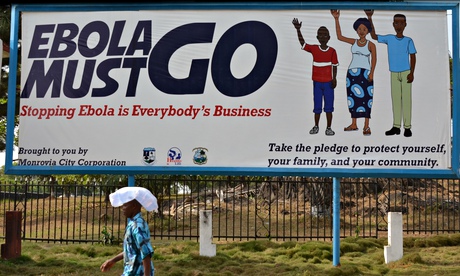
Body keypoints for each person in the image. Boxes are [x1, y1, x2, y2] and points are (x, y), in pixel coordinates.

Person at [365, 10, 417, 137]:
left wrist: (412, 73)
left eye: (401, 23)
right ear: (393, 24)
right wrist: (370, 18)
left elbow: (413, 56)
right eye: (396, 23)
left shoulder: (408, 40)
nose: (399, 26)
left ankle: (408, 127)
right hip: (393, 73)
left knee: (406, 100)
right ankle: (396, 126)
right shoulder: (389, 38)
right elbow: (374, 36)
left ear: (405, 25)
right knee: (395, 100)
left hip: (405, 72)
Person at [331, 10, 376, 136]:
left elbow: (374, 60)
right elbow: (340, 37)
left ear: (368, 31)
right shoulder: (354, 42)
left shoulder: (371, 45)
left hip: (365, 73)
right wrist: (336, 19)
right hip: (352, 72)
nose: (362, 31)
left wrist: (372, 73)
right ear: (356, 30)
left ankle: (366, 126)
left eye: (364, 29)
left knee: (367, 98)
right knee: (353, 98)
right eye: (360, 29)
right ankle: (354, 123)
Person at [292, 18, 339, 136]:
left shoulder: (332, 51)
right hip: (317, 83)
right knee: (317, 106)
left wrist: (334, 78)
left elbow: (334, 65)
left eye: (325, 35)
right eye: (320, 35)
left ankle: (328, 127)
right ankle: (316, 126)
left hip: (328, 83)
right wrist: (298, 30)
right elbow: (303, 44)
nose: (323, 37)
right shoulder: (314, 49)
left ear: (329, 38)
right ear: (317, 38)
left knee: (329, 107)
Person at [100, 186, 158, 276]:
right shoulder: (133, 223)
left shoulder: (138, 226)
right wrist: (113, 260)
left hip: (138, 272)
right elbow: (132, 249)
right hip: (130, 271)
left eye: (125, 205)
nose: (123, 208)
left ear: (134, 206)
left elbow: (146, 253)